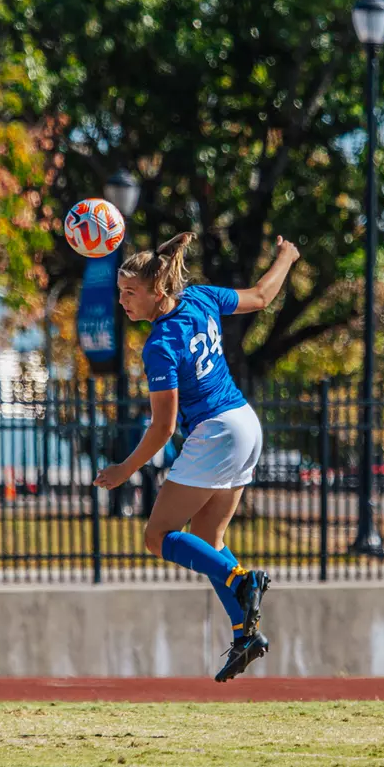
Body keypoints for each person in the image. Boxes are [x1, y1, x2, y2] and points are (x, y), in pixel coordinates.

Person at [94, 232, 300, 682]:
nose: (124, 301)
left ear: (158, 292)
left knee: (157, 536)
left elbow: (163, 427)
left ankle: (241, 581)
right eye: (120, 292)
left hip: (216, 431)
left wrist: (123, 471)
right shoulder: (203, 297)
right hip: (245, 423)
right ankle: (246, 632)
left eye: (131, 293)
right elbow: (263, 297)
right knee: (208, 537)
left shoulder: (159, 346)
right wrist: (285, 255)